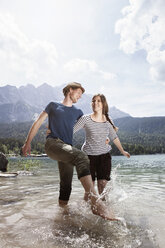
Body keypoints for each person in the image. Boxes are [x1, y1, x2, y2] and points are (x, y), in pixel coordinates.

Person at [22, 82, 117, 221]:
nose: (80, 96)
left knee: (66, 185)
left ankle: (62, 216)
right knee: (81, 157)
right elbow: (37, 123)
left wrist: (107, 134)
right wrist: (27, 142)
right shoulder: (53, 105)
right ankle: (94, 201)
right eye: (78, 93)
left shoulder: (78, 112)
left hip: (67, 149)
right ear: (70, 90)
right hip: (53, 144)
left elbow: (93, 122)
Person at [73, 94, 130, 199]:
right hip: (88, 157)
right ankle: (83, 213)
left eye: (98, 101)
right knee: (89, 190)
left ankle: (104, 211)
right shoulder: (85, 119)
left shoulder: (108, 119)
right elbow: (71, 131)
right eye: (93, 101)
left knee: (102, 188)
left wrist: (122, 151)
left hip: (104, 157)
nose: (95, 103)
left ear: (103, 104)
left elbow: (114, 136)